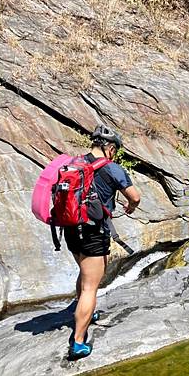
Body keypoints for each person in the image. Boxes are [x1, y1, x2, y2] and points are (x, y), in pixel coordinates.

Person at [65, 125, 141, 359]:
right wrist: (130, 206)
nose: (114, 154)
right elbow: (135, 197)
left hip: (70, 227)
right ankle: (78, 342)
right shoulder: (113, 169)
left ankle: (83, 311)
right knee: (91, 286)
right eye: (114, 151)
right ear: (109, 149)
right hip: (93, 231)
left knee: (84, 271)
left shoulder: (74, 163)